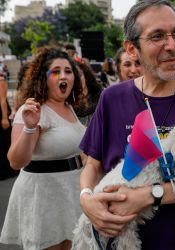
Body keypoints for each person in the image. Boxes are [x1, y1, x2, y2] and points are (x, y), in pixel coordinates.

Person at [78, 1, 175, 249]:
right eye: (158, 36)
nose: (172, 46)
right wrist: (86, 199)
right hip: (122, 240)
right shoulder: (112, 98)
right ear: (132, 49)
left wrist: (147, 196)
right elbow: (92, 166)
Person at [0, 47, 85, 250]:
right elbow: (16, 161)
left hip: (71, 191)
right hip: (43, 197)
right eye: (56, 71)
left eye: (68, 71)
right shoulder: (32, 110)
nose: (63, 75)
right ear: (43, 77)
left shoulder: (69, 108)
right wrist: (30, 127)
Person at [74, 61, 103, 126]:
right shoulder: (68, 105)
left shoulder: (101, 98)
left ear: (85, 76)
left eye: (79, 75)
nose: (77, 80)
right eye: (74, 77)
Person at [0, 71, 14, 180]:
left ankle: (7, 170)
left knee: (4, 142)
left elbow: (3, 100)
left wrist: (4, 118)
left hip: (1, 114)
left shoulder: (1, 81)